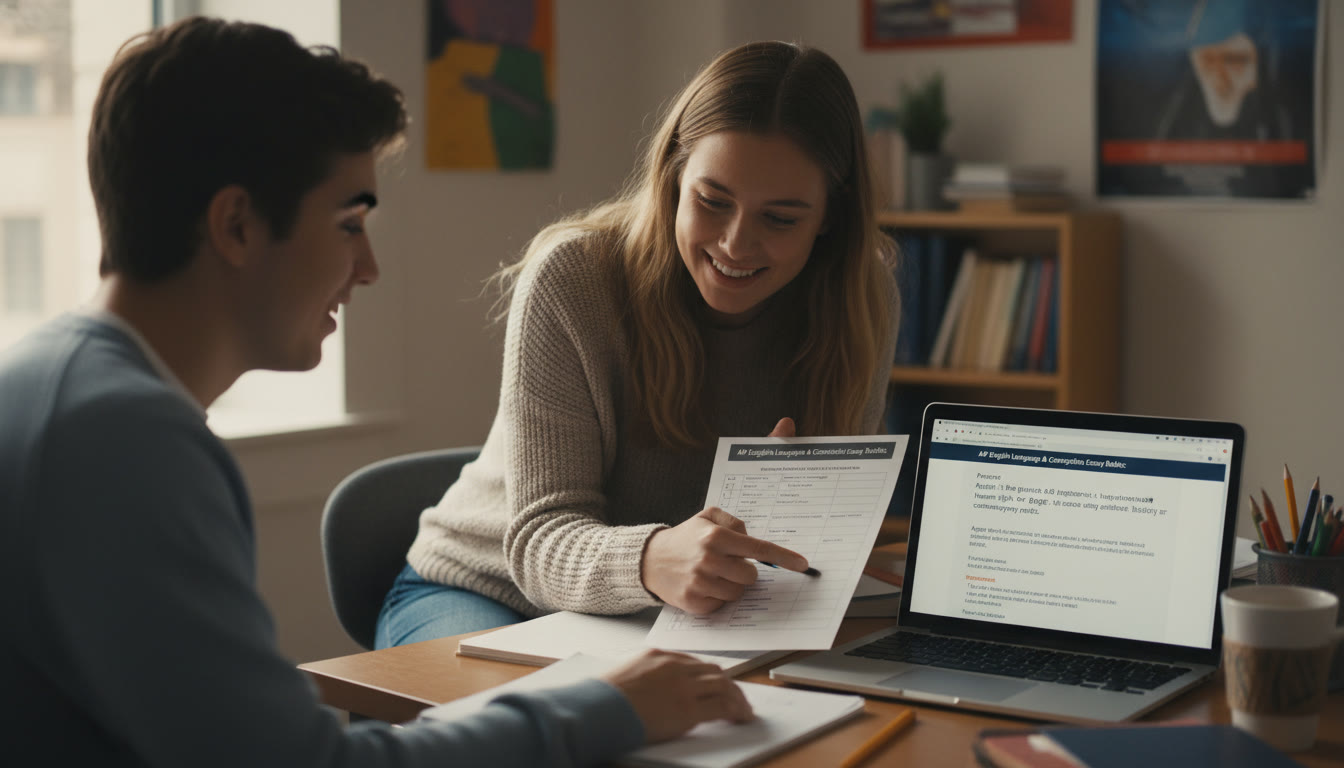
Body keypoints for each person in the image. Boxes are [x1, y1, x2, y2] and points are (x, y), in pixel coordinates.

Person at [0, 16, 752, 767]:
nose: (368, 268)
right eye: (349, 221)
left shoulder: (55, 383)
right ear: (235, 225)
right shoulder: (125, 445)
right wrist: (607, 709)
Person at [380, 40, 898, 647]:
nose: (735, 244)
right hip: (486, 589)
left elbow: (808, 547)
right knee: (552, 729)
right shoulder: (575, 278)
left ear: (830, 217)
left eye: (780, 219)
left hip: (673, 617)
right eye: (712, 201)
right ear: (675, 178)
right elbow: (540, 540)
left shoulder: (861, 299)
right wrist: (655, 558)